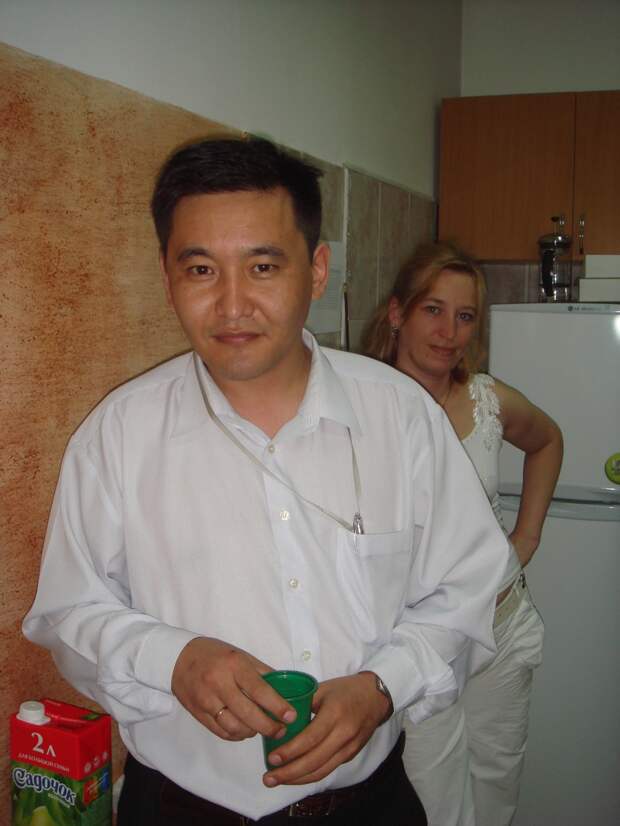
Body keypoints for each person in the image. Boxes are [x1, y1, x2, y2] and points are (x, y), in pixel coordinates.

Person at [23, 140, 509, 826]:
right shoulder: (119, 435)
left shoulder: (400, 418)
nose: (232, 305)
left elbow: (468, 587)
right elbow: (69, 610)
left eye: (262, 266)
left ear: (316, 270)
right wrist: (172, 660)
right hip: (180, 809)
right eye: (201, 269)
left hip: (368, 806)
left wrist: (382, 686)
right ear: (167, 277)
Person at [362, 241, 563, 826]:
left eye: (465, 316)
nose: (449, 332)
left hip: (501, 626)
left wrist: (526, 539)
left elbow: (548, 440)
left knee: (496, 788)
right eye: (433, 310)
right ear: (397, 313)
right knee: (433, 802)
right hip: (422, 643)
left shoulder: (486, 399)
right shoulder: (362, 407)